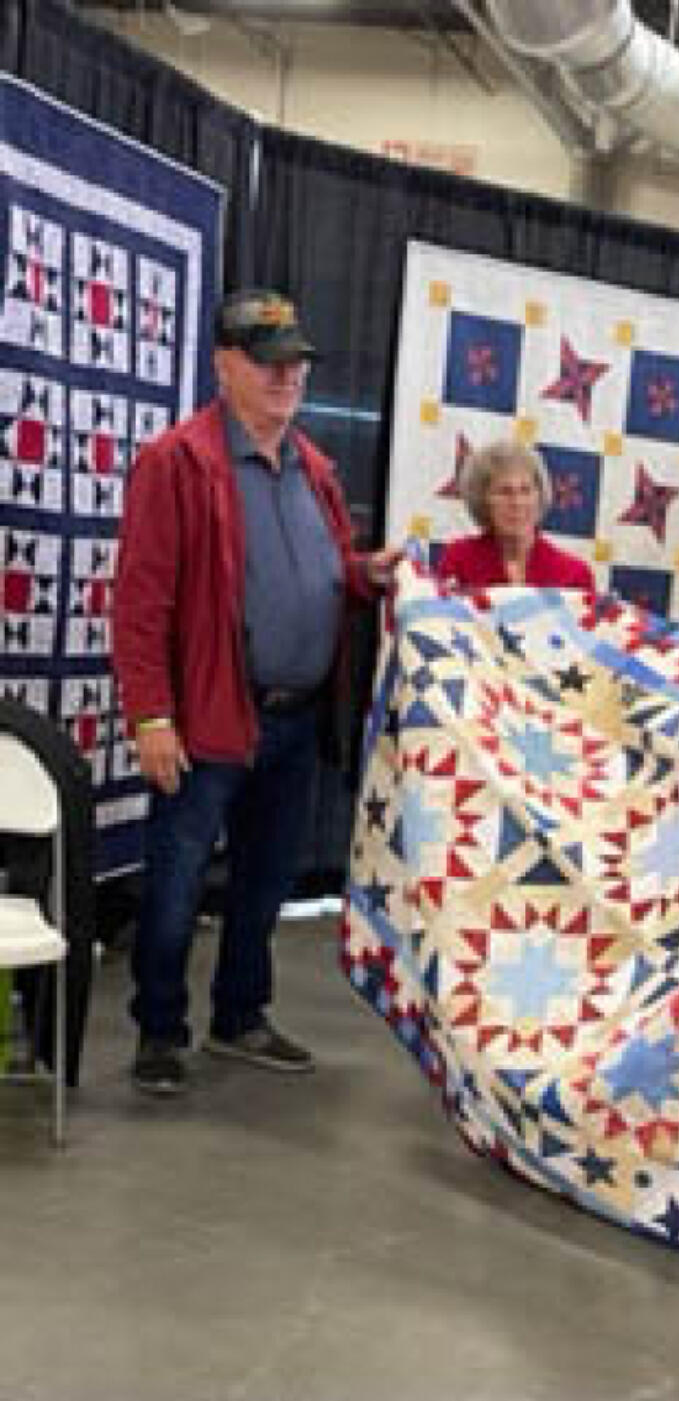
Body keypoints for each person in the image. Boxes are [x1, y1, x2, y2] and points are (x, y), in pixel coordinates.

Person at [112, 288, 399, 1097]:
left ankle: (240, 1013)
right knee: (175, 882)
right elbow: (140, 603)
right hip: (208, 714)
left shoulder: (313, 468)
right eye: (268, 362)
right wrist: (152, 715)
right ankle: (159, 1028)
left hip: (295, 717)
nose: (286, 377)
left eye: (296, 362)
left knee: (265, 883)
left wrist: (362, 574)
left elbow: (323, 569)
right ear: (223, 365)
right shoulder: (177, 461)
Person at [435, 439, 595, 590]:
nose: (517, 502)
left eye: (526, 491)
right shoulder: (459, 559)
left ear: (539, 497)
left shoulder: (575, 574)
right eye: (504, 492)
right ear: (482, 500)